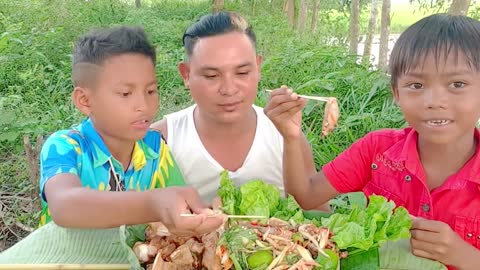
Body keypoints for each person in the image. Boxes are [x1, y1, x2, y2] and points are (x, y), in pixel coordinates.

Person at [265, 14, 480, 270]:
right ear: (397, 93)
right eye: (416, 85)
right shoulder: (378, 150)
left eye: (457, 84)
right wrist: (291, 136)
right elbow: (307, 197)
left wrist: (463, 256)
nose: (434, 100)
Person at [39, 26, 224, 236]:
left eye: (151, 91)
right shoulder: (67, 147)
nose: (143, 105)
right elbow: (64, 206)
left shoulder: (154, 149)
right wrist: (152, 204)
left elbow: (178, 211)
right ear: (85, 100)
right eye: (126, 93)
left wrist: (197, 218)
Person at [151, 12, 316, 204]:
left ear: (258, 67)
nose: (229, 90)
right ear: (186, 74)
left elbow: (318, 214)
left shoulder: (285, 137)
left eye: (243, 72)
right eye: (212, 76)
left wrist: (291, 139)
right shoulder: (160, 141)